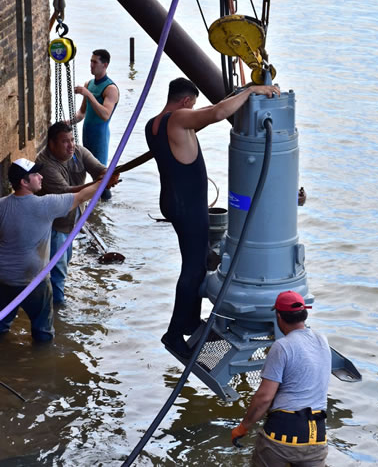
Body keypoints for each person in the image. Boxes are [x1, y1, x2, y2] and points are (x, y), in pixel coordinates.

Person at [146, 77, 280, 358]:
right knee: (193, 268)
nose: (193, 109)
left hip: (172, 201)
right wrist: (254, 91)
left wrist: (237, 95)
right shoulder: (180, 118)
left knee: (199, 259)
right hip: (188, 205)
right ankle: (174, 333)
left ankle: (191, 321)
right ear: (185, 101)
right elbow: (218, 113)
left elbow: (209, 114)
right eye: (192, 104)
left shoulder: (154, 124)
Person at [0, 159, 103, 341]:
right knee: (43, 333)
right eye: (35, 174)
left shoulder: (2, 205)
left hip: (4, 279)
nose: (41, 177)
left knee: (1, 327)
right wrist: (104, 182)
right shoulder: (45, 205)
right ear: (24, 182)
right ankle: (44, 365)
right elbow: (81, 196)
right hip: (34, 281)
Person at [231, 291, 331, 466]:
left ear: (279, 316)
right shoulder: (323, 341)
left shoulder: (282, 346)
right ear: (304, 314)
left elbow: (264, 398)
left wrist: (243, 427)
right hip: (317, 437)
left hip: (282, 435)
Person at [36, 122, 119, 305]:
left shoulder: (79, 152)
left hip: (71, 223)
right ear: (51, 144)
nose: (71, 145)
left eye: (72, 139)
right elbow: (68, 193)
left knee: (64, 263)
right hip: (53, 225)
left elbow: (98, 168)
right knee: (57, 269)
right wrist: (99, 184)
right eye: (65, 142)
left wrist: (108, 174)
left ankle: (54, 301)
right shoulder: (44, 164)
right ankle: (58, 309)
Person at [70, 49, 119, 200]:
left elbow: (105, 115)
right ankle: (95, 213)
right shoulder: (89, 84)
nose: (91, 65)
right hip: (87, 133)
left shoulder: (110, 89)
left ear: (105, 65)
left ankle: (105, 210)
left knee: (101, 177)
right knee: (88, 173)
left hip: (100, 136)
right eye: (91, 61)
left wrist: (88, 94)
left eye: (95, 62)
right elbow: (82, 113)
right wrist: (68, 122)